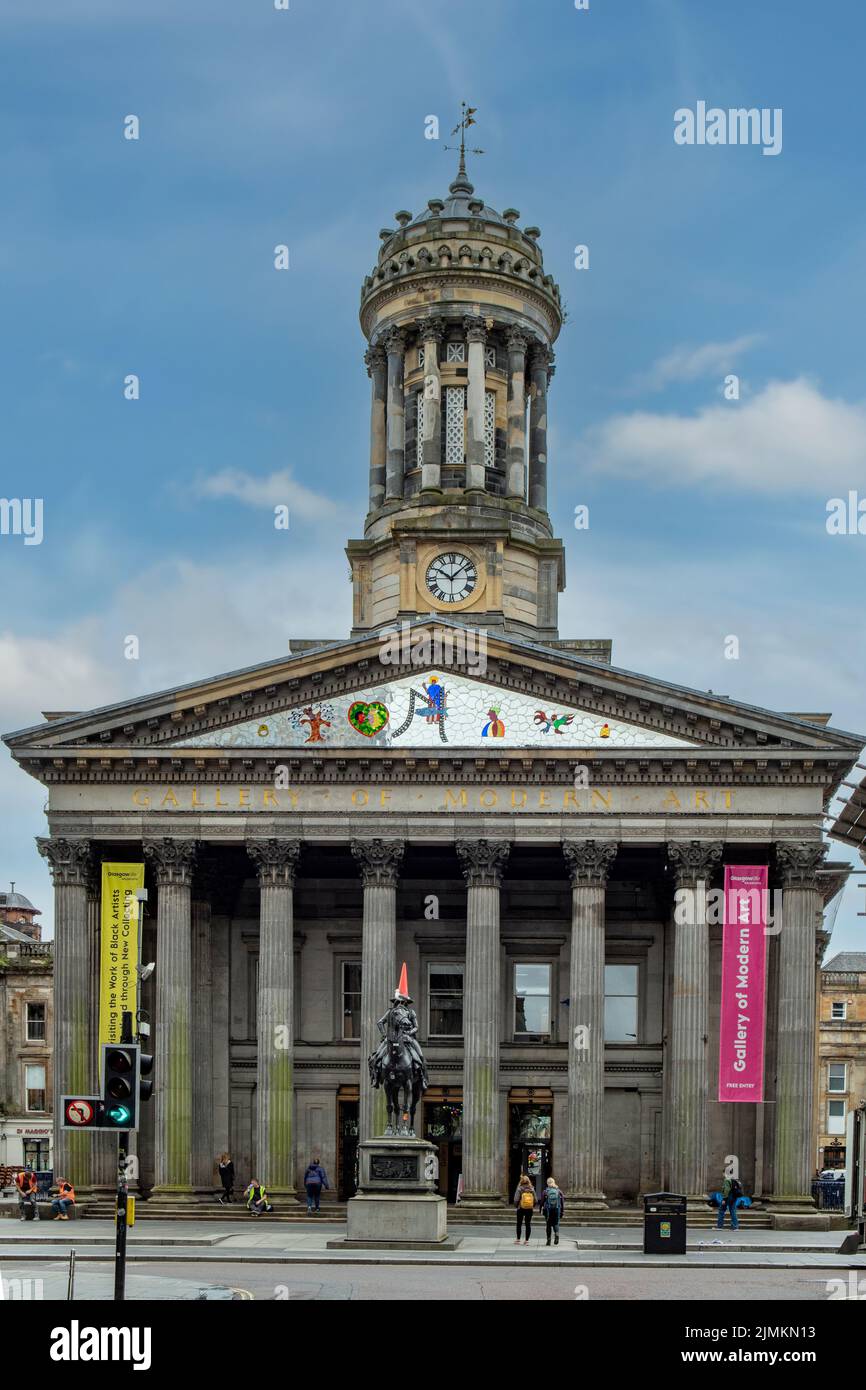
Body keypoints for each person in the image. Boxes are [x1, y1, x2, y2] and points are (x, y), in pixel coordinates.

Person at [540, 1176, 564, 1246]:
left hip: (548, 1210)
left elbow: (542, 1202)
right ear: (554, 1182)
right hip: (557, 1209)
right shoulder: (559, 1191)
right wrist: (562, 1211)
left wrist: (540, 1208)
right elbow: (562, 1202)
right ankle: (556, 1234)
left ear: (547, 1183)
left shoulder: (545, 1192)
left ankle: (548, 1240)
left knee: (548, 1225)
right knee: (556, 1223)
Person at [513, 1173, 536, 1244]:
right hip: (529, 1209)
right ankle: (526, 1241)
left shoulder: (519, 1188)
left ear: (521, 1181)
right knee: (528, 1224)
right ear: (528, 1181)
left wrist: (517, 1206)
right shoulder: (532, 1189)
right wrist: (532, 1205)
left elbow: (516, 1199)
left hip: (521, 1208)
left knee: (519, 1224)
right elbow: (536, 1199)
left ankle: (518, 1240)